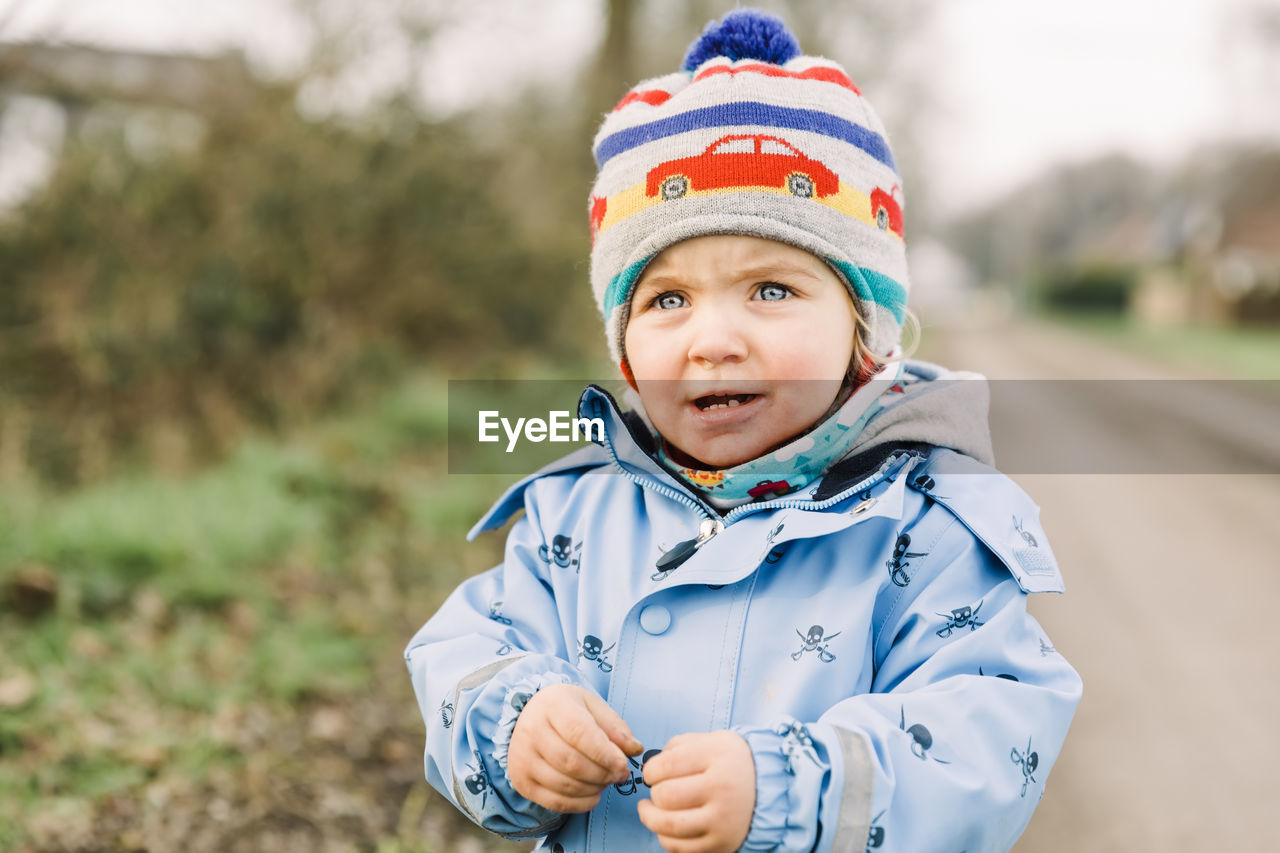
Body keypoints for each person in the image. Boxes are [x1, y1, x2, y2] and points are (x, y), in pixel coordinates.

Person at [405, 9, 1081, 852]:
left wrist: (793, 791)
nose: (712, 339)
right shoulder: (574, 512)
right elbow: (466, 645)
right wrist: (517, 724)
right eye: (667, 299)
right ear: (622, 340)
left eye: (770, 290)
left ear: (864, 331)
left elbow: (989, 735)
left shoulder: (932, 526)